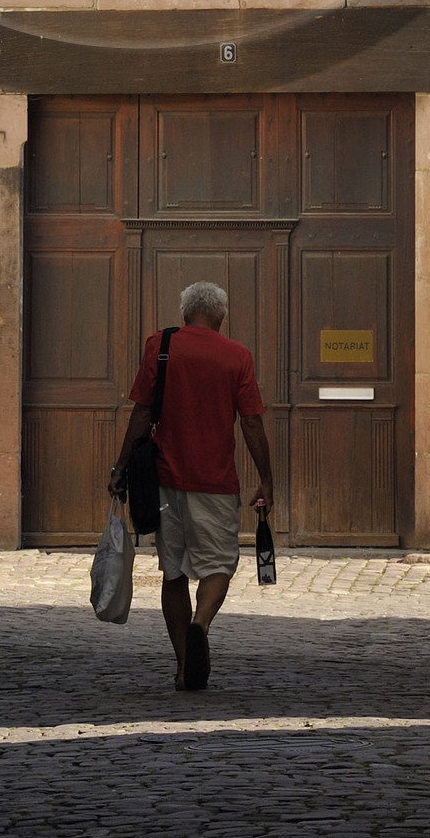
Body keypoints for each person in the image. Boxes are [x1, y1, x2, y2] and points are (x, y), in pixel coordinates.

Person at [109, 280, 274, 692]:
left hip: (164, 479)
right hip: (215, 483)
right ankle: (201, 624)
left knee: (173, 572)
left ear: (184, 315)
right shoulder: (237, 356)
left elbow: (142, 412)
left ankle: (184, 668)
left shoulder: (160, 347)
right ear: (220, 318)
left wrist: (121, 465)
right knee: (219, 566)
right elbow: (251, 422)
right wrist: (266, 478)